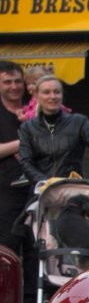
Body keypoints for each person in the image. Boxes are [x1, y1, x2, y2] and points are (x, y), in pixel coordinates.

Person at [19, 75, 89, 188]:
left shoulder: (79, 121)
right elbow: (26, 162)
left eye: (57, 92)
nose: (52, 96)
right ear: (36, 96)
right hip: (42, 190)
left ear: (62, 95)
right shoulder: (27, 128)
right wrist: (46, 182)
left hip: (74, 189)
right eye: (46, 92)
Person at [0, 61, 27, 250]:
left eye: (18, 81)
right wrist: (24, 143)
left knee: (37, 252)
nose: (14, 86)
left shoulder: (35, 110)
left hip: (36, 191)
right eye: (7, 82)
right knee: (8, 247)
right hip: (5, 193)